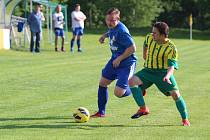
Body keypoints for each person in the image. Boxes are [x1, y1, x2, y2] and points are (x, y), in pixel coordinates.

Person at [128, 22, 190, 126]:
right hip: (147, 71)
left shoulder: (171, 48)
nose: (152, 35)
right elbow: (145, 44)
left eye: (155, 33)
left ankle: (185, 119)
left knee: (175, 95)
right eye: (152, 32)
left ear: (163, 35)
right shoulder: (149, 38)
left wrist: (167, 76)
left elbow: (171, 66)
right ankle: (143, 108)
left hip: (162, 73)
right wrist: (145, 54)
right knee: (131, 81)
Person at [91, 8, 137, 117]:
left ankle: (136, 88)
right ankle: (101, 112)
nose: (109, 23)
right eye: (107, 20)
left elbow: (132, 48)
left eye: (112, 20)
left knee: (118, 93)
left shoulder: (122, 31)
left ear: (118, 19)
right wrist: (104, 36)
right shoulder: (112, 27)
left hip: (126, 64)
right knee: (102, 83)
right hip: (114, 61)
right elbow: (111, 31)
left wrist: (120, 58)